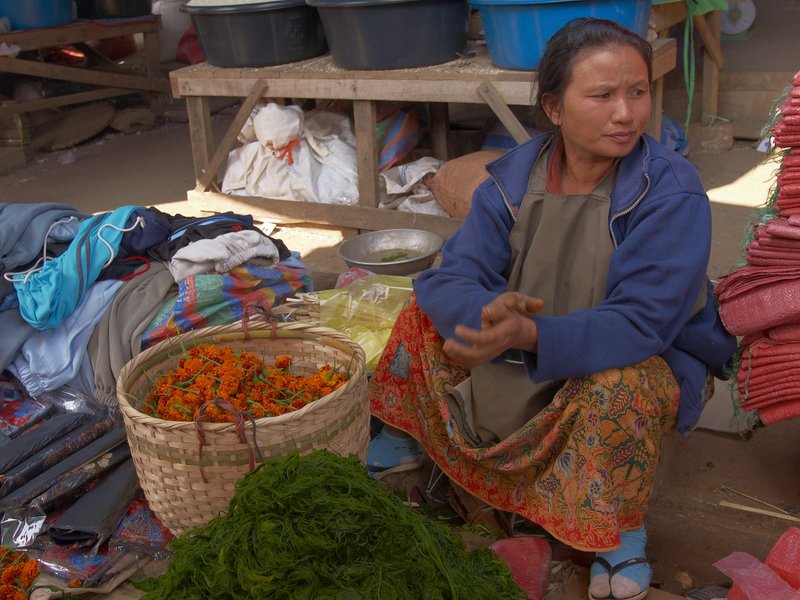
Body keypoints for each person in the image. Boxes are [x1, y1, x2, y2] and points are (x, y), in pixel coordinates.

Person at [366, 17, 737, 600]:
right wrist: (487, 316)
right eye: (602, 95)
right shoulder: (511, 182)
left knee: (620, 384)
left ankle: (616, 528)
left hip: (639, 355)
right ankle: (401, 445)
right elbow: (456, 275)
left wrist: (529, 334)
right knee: (420, 318)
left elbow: (641, 322)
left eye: (637, 92)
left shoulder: (669, 190)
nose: (626, 113)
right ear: (555, 109)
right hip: (531, 340)